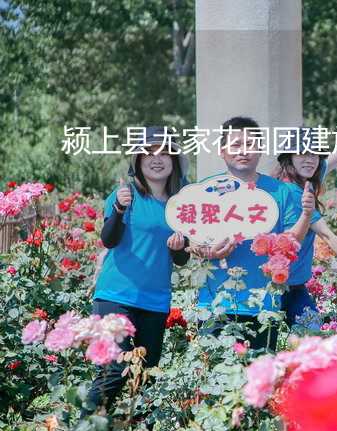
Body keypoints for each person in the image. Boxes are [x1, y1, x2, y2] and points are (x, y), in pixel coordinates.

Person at [86, 126, 190, 412]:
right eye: (149, 154)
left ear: (175, 160)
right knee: (112, 373)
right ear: (138, 161)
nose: (157, 159)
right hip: (116, 296)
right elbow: (109, 239)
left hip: (155, 301)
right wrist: (119, 209)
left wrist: (178, 246)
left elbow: (182, 260)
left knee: (146, 378)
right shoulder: (125, 194)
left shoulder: (182, 203)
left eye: (164, 153)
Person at [195, 116, 315, 351]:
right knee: (214, 380)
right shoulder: (206, 189)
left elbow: (292, 242)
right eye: (236, 144)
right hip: (215, 304)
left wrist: (307, 215)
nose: (244, 151)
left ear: (260, 149)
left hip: (264, 306)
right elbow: (192, 241)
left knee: (259, 380)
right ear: (222, 150)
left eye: (251, 144)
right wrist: (205, 250)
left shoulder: (282, 192)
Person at [277, 127, 337, 329]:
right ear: (289, 158)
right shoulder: (291, 191)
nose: (310, 159)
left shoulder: (307, 181)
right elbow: (327, 235)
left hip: (295, 286)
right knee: (306, 339)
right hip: (275, 288)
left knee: (310, 340)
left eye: (315, 154)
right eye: (302, 154)